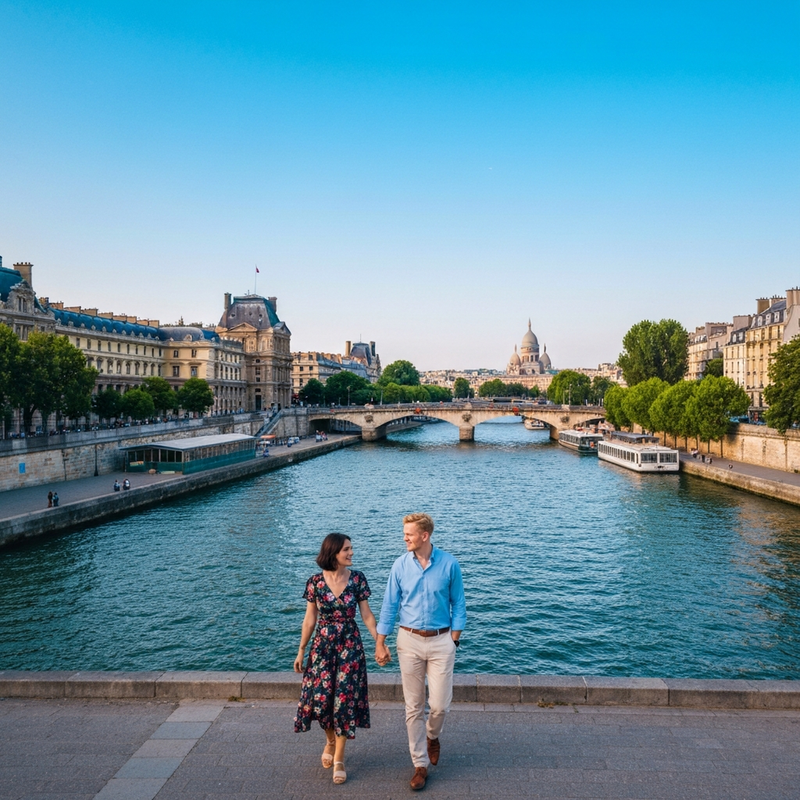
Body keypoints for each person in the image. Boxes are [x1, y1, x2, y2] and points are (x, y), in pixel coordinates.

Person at [375, 513, 467, 791]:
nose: (404, 538)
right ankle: (420, 764)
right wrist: (380, 641)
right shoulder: (400, 566)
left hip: (441, 641)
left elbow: (458, 604)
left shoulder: (449, 564)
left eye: (409, 534)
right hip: (409, 640)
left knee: (439, 705)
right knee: (413, 706)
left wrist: (454, 640)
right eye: (404, 533)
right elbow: (389, 605)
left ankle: (432, 736)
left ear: (424, 536)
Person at [294, 533, 379, 785]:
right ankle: (330, 740)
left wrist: (379, 641)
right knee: (321, 700)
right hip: (322, 647)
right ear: (333, 553)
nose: (351, 553)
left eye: (351, 548)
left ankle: (339, 756)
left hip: (350, 646)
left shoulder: (357, 579)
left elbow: (366, 614)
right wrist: (301, 650)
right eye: (347, 549)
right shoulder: (315, 582)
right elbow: (310, 619)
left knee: (344, 700)